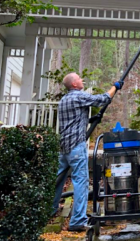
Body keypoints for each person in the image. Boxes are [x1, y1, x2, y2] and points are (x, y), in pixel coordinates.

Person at [52, 72, 123, 232]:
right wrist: (115, 87)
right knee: (81, 183)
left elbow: (73, 120)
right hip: (76, 147)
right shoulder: (78, 96)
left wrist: (91, 120)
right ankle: (77, 221)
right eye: (79, 78)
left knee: (58, 180)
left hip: (63, 147)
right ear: (74, 84)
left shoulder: (64, 100)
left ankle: (50, 210)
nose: (81, 80)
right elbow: (103, 99)